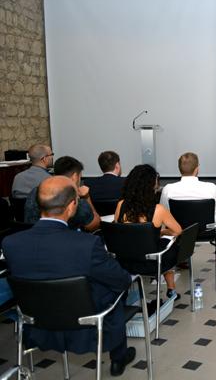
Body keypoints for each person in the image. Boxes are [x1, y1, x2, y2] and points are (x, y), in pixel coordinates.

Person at [2, 176, 136, 376]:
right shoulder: (86, 245)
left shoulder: (11, 243)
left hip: (37, 324)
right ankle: (119, 356)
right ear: (72, 206)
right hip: (85, 326)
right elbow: (121, 280)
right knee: (115, 287)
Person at [115, 164, 182, 299]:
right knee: (169, 245)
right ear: (152, 186)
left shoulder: (121, 205)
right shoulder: (158, 209)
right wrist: (162, 233)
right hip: (151, 264)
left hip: (124, 262)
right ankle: (171, 289)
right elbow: (178, 231)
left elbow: (118, 228)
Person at [160, 152, 216, 265]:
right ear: (197, 169)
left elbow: (164, 211)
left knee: (170, 219)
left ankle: (181, 257)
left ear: (179, 169)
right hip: (208, 230)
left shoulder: (168, 189)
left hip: (180, 230)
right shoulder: (211, 188)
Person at [24, 156, 101, 232]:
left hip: (32, 238)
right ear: (74, 177)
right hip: (65, 241)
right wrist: (86, 197)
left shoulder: (35, 191)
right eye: (80, 177)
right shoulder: (74, 201)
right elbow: (95, 225)